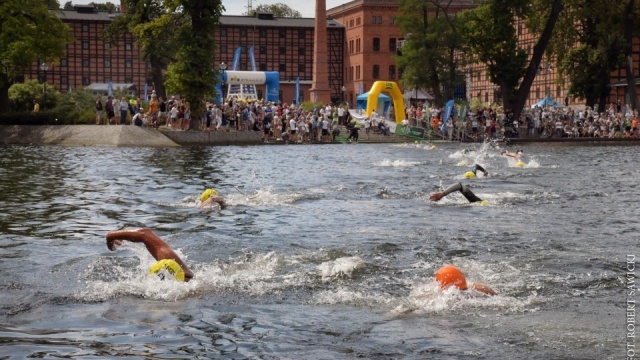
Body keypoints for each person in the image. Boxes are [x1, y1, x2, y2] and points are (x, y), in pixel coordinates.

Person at [106, 227, 193, 282]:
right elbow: (145, 234)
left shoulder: (186, 275)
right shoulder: (190, 281)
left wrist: (110, 236)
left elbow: (145, 234)